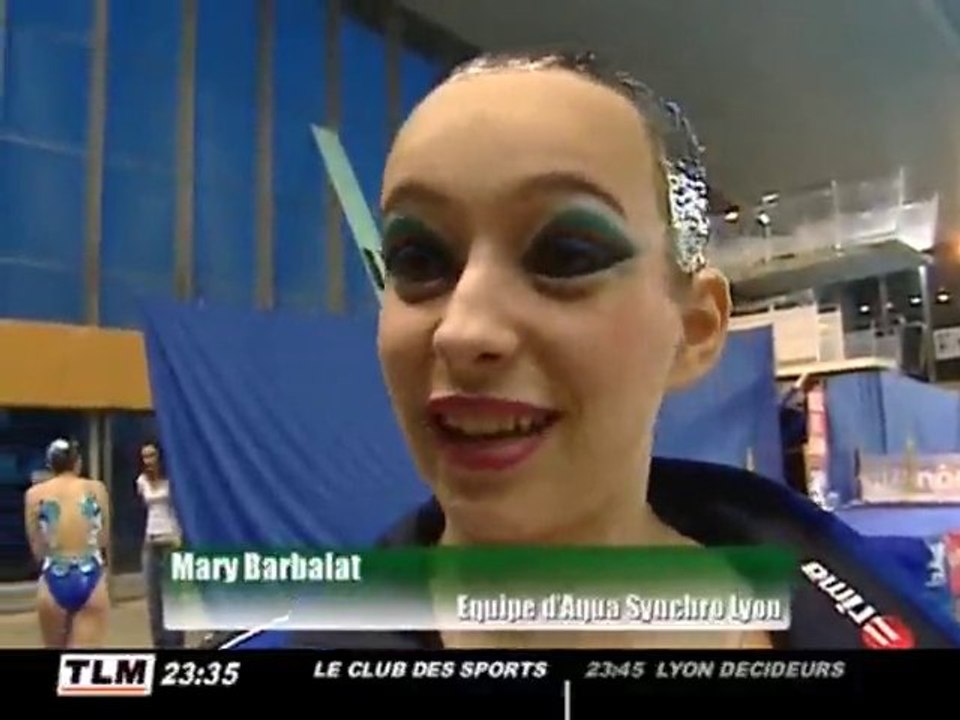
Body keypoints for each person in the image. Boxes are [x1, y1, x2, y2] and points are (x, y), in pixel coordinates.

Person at [215, 49, 960, 650]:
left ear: (695, 331)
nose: (464, 329)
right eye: (417, 258)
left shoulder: (882, 613)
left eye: (566, 254)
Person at [23, 439, 110, 647]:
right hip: (89, 570)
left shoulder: (35, 494)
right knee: (81, 668)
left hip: (55, 571)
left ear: (50, 465)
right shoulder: (96, 489)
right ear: (77, 462)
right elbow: (103, 537)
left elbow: (36, 545)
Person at [136, 440, 185, 648]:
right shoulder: (141, 481)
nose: (148, 461)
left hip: (171, 540)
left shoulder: (172, 480)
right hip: (151, 541)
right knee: (153, 599)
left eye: (151, 455)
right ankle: (159, 643)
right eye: (144, 457)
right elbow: (146, 510)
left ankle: (175, 643)